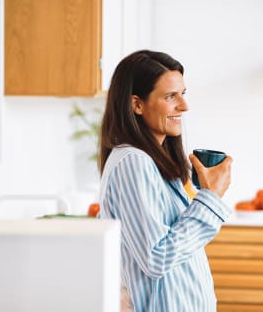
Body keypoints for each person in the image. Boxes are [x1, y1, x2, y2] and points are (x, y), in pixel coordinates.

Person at [97, 50, 232, 312]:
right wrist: (211, 199)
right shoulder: (133, 162)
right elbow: (156, 258)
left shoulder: (150, 161)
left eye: (183, 93)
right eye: (171, 96)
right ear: (137, 104)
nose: (184, 106)